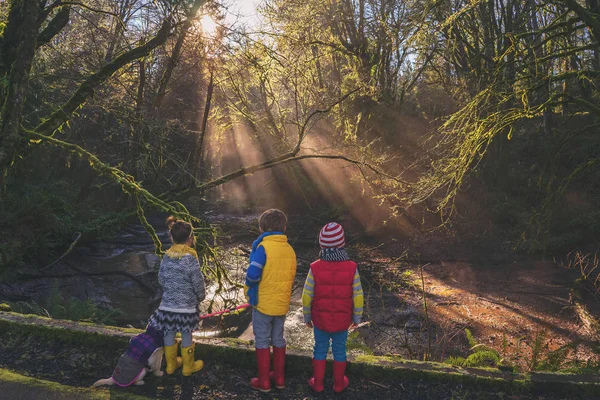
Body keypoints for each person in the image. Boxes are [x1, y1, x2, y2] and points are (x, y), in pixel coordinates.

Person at [302, 222, 364, 393]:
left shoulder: (315, 267)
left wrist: (307, 317)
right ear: (342, 244)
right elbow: (358, 296)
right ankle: (338, 384)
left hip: (320, 321)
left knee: (319, 349)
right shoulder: (352, 267)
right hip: (342, 320)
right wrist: (357, 318)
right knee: (339, 350)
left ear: (322, 244)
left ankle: (318, 383)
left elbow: (306, 296)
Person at [244, 209, 297, 392]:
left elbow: (252, 274)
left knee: (262, 341)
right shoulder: (289, 249)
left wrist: (250, 284)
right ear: (283, 228)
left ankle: (264, 381)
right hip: (281, 305)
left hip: (263, 305)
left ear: (261, 229)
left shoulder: (263, 248)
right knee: (278, 339)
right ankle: (280, 379)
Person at [149, 216, 206, 377]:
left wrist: (171, 290)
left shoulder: (167, 256)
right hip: (187, 308)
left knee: (169, 332)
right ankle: (188, 367)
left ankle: (171, 365)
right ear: (191, 239)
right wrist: (200, 296)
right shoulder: (191, 259)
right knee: (187, 333)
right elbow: (198, 282)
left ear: (171, 238)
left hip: (167, 307)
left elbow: (161, 279)